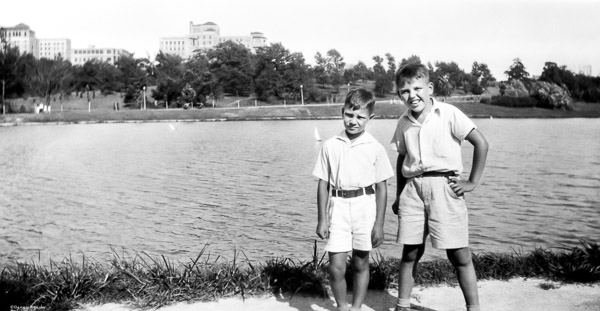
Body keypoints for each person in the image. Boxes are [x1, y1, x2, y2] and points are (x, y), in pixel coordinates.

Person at [390, 63, 489, 311]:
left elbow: (481, 143)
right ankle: (402, 306)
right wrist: (399, 194)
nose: (412, 95)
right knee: (411, 252)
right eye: (404, 91)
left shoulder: (448, 113)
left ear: (430, 87)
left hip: (446, 189)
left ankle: (473, 307)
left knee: (458, 254)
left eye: (417, 88)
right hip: (413, 191)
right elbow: (402, 158)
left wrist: (472, 182)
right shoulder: (403, 123)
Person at [313, 88, 394, 311]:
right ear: (343, 112)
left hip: (364, 207)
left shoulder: (375, 147)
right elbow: (323, 184)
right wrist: (322, 219)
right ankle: (341, 306)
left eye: (360, 117)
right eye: (349, 114)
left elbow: (382, 187)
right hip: (337, 206)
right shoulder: (330, 145)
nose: (353, 121)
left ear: (370, 118)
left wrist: (379, 224)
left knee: (360, 262)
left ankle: (356, 307)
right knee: (336, 267)